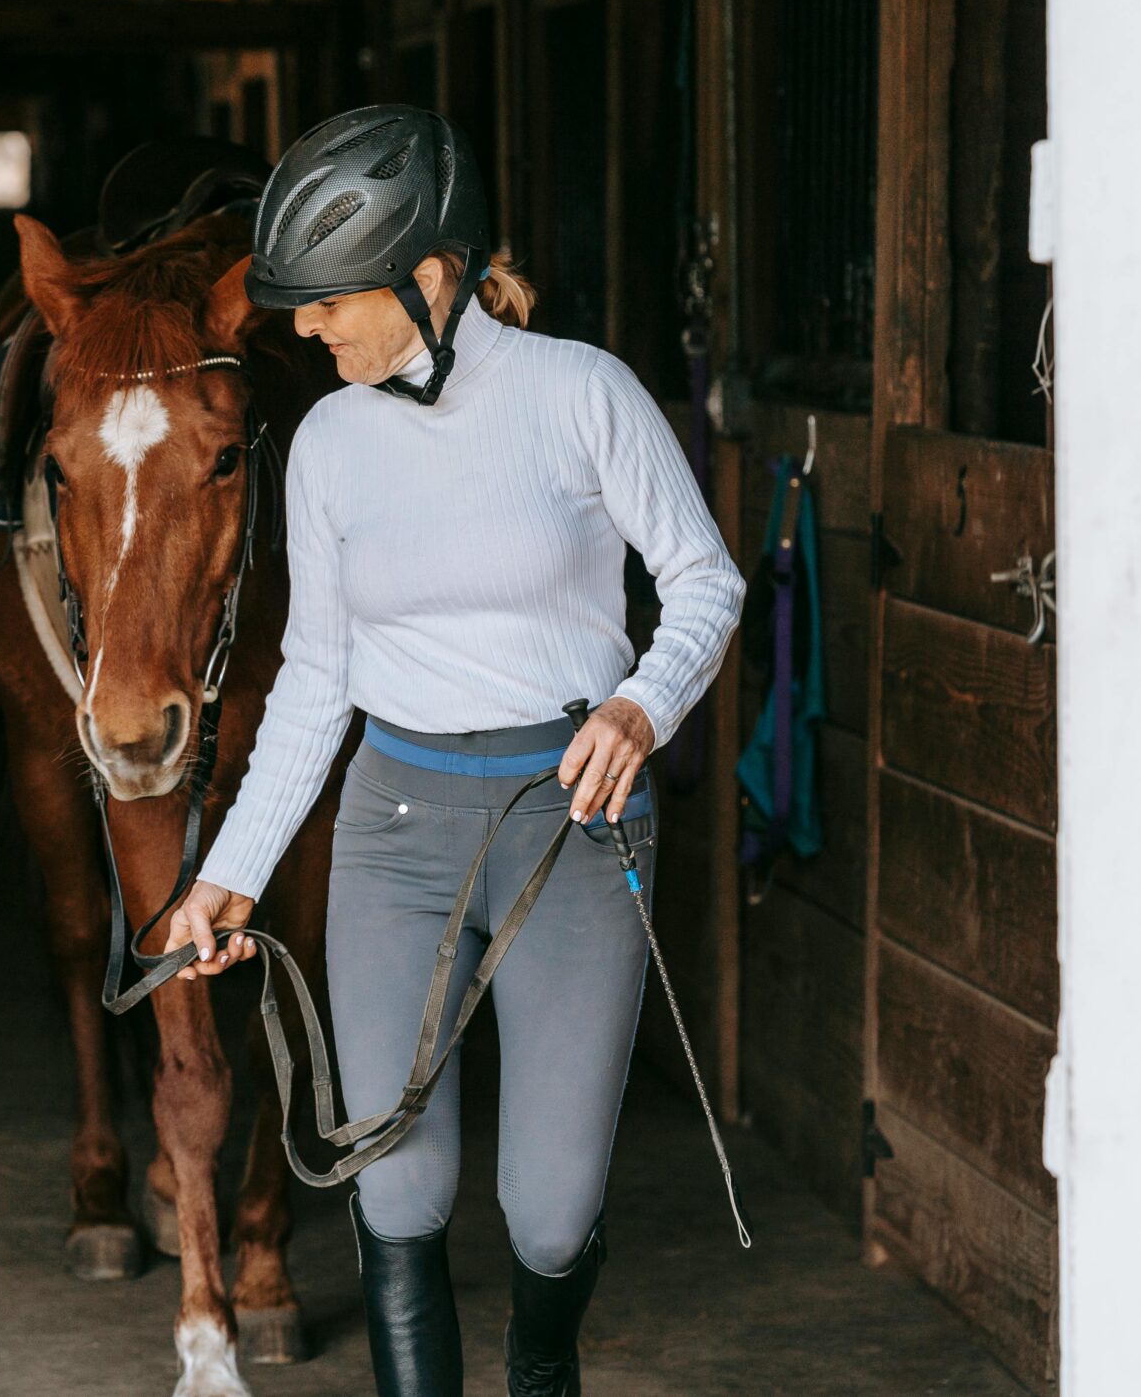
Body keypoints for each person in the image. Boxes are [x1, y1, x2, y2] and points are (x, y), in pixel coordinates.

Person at [167, 104, 744, 1397]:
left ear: (429, 278)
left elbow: (703, 582)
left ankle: (544, 1373)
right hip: (397, 832)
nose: (304, 331)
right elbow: (318, 677)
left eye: (326, 303)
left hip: (573, 829)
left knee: (547, 1212)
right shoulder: (327, 442)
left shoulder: (582, 394)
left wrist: (641, 704)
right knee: (398, 1190)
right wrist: (231, 874)